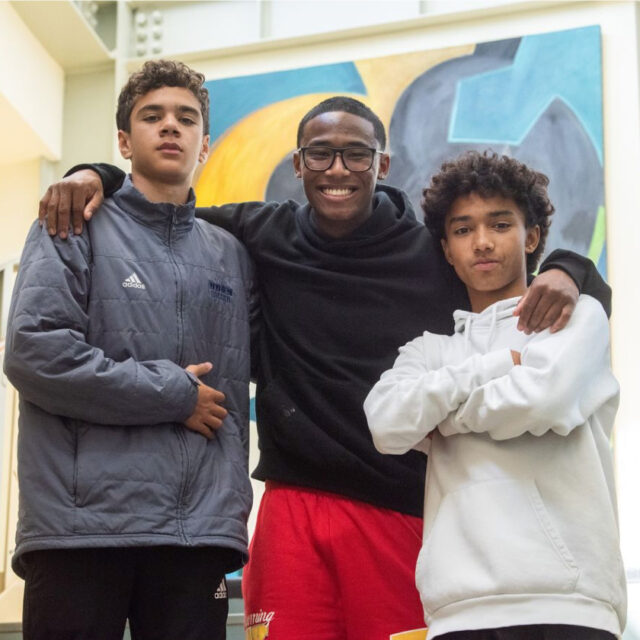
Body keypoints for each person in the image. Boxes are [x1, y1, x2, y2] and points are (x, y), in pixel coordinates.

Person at [38, 97, 611, 640]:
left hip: (398, 512)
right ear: (298, 163)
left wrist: (568, 266)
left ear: (381, 164)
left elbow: (510, 271)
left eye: (356, 153)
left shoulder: (430, 254)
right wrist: (98, 174)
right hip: (292, 505)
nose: (338, 167)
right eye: (321, 153)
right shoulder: (261, 232)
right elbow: (162, 214)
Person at [4, 60, 254, 640]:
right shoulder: (70, 220)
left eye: (186, 118)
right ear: (123, 140)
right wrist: (173, 394)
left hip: (198, 533)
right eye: (152, 116)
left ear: (206, 143)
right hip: (80, 529)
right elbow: (34, 352)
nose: (171, 127)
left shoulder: (231, 255)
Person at [364, 151, 625, 640]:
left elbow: (541, 401)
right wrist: (498, 366)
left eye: (500, 224)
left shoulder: (576, 315)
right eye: (463, 230)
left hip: (571, 601)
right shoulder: (429, 349)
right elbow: (387, 425)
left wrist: (441, 417)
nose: (482, 242)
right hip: (458, 607)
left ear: (531, 237)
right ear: (446, 249)